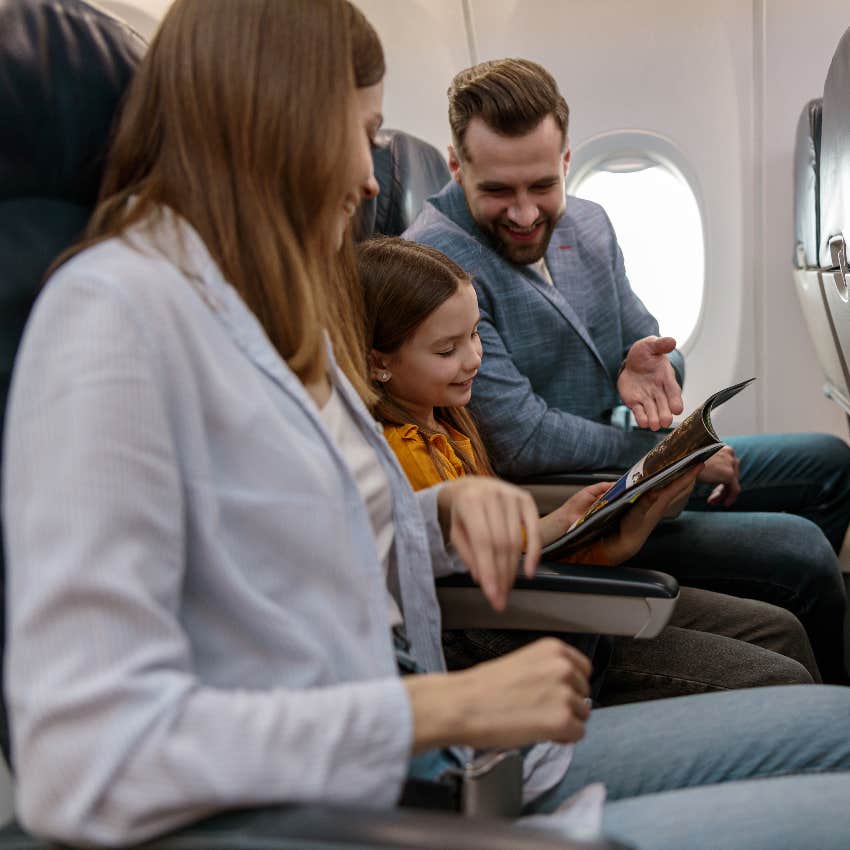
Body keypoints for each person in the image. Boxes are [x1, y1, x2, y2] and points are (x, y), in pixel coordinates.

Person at [5, 3, 850, 849]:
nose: (373, 178)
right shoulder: (115, 317)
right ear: (282, 121)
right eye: (364, 131)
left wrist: (438, 516)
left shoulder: (267, 309)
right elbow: (85, 758)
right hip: (356, 802)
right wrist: (439, 704)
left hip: (435, 764)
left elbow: (303, 540)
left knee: (837, 730)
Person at [403, 57, 850, 683]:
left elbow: (647, 338)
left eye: (542, 185)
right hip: (580, 493)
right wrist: (670, 454)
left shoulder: (588, 222)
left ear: (565, 160)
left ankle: (773, 634)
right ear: (457, 166)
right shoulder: (436, 265)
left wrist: (646, 362)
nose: (527, 214)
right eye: (499, 191)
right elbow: (524, 439)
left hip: (629, 461)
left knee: (829, 463)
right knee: (799, 552)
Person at [358, 234, 819, 700]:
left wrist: (567, 522)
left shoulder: (448, 422)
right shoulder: (405, 455)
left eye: (475, 334)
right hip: (516, 631)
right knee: (780, 673)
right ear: (380, 363)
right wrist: (598, 546)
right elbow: (473, 580)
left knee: (780, 629)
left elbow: (494, 547)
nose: (474, 358)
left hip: (538, 596)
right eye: (446, 350)